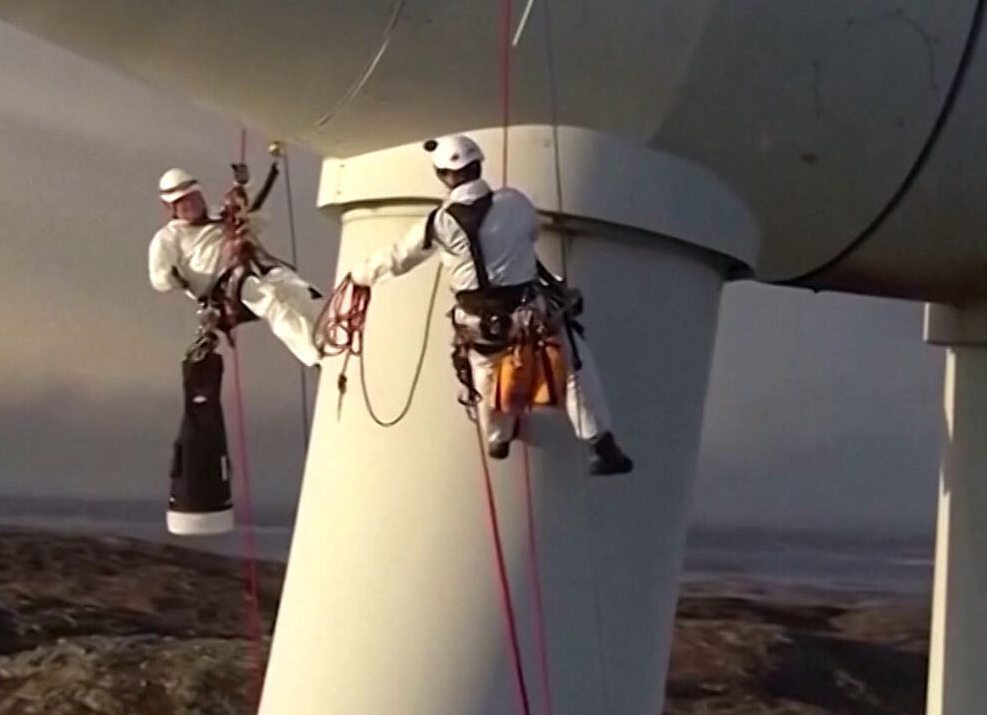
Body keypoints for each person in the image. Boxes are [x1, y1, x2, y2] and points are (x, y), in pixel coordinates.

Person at [344, 135, 634, 476]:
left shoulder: (437, 223)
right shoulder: (515, 203)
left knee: (486, 375)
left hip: (477, 322)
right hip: (528, 314)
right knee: (573, 364)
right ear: (478, 166)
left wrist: (359, 276)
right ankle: (601, 445)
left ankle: (498, 438)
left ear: (442, 177)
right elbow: (531, 236)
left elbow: (397, 259)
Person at [148, 167, 322, 367]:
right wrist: (175, 277)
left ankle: (331, 334)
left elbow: (258, 218)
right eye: (183, 202)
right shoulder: (168, 238)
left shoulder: (221, 216)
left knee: (300, 291)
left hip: (255, 264)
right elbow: (159, 280)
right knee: (272, 303)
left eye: (193, 198)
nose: (191, 204)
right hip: (225, 287)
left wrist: (246, 185)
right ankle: (314, 357)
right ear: (171, 207)